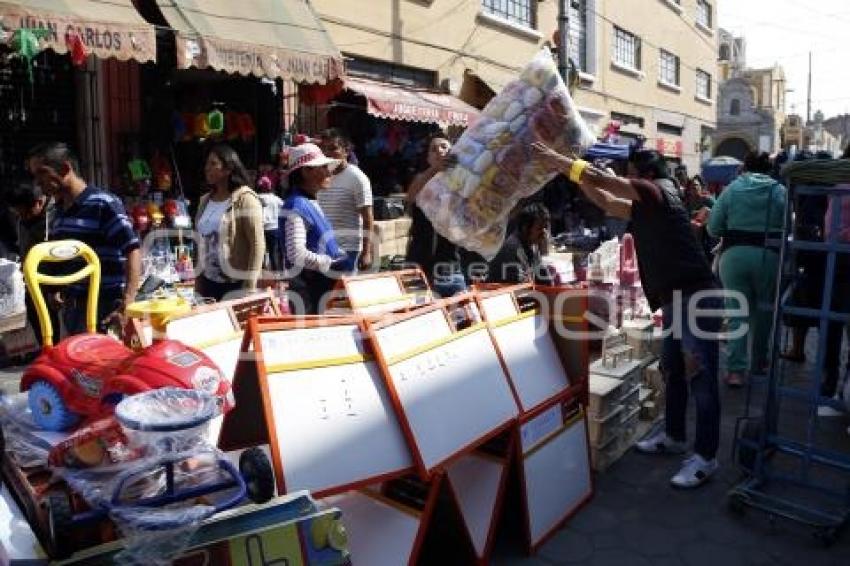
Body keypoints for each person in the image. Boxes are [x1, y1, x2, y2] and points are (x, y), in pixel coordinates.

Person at [534, 142, 721, 488]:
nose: (626, 179)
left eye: (629, 174)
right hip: (676, 298)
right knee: (673, 370)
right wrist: (576, 176)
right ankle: (675, 436)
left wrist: (563, 162)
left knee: (702, 380)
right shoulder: (648, 205)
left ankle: (706, 458)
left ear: (643, 175)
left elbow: (607, 185)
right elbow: (605, 200)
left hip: (696, 298)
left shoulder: (656, 190)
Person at [28, 142, 140, 336]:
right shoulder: (58, 211)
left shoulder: (103, 204)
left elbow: (132, 250)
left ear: (65, 169)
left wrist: (128, 303)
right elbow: (63, 257)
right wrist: (57, 288)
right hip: (74, 310)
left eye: (42, 173)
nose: (37, 182)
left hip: (106, 307)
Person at [707, 152, 786, 387]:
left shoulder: (731, 189)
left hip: (734, 257)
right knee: (764, 312)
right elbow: (788, 224)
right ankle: (760, 362)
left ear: (745, 167)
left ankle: (735, 371)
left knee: (736, 313)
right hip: (768, 257)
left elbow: (713, 228)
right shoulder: (779, 191)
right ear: (769, 169)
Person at [280, 143, 347, 314]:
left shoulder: (308, 203)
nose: (328, 172)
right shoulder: (296, 205)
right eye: (323, 167)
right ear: (306, 171)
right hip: (308, 291)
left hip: (319, 288)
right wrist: (328, 262)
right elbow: (296, 254)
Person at [195, 144, 265, 301]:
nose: (207, 168)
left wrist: (250, 285)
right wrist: (198, 281)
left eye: (213, 164)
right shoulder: (205, 201)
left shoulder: (245, 199)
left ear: (228, 168)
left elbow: (257, 244)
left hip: (235, 284)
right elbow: (200, 241)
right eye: (207, 164)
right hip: (208, 282)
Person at [406, 134, 467, 297]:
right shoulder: (421, 178)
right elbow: (411, 197)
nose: (439, 151)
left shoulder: (462, 182)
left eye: (444, 147)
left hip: (449, 266)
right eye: (433, 149)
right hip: (420, 267)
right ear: (428, 158)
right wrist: (435, 169)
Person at [4, 181, 59, 345]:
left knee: (56, 328)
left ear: (39, 202)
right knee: (40, 327)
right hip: (32, 282)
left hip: (55, 282)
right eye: (18, 214)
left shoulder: (57, 216)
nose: (22, 217)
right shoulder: (23, 219)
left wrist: (57, 288)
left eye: (25, 213)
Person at [318, 129, 374, 273]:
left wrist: (366, 252)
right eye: (324, 149)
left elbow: (368, 218)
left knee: (342, 293)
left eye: (333, 148)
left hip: (348, 250)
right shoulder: (321, 176)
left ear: (346, 151)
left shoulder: (357, 178)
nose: (328, 153)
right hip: (322, 250)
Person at [486, 202, 554, 285]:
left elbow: (545, 280)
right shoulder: (512, 250)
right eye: (540, 228)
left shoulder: (532, 247)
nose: (544, 232)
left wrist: (544, 253)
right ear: (525, 228)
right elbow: (518, 288)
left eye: (546, 227)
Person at [256, 166, 284, 272]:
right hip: (274, 228)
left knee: (261, 250)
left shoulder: (256, 198)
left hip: (261, 228)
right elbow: (285, 208)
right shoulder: (275, 199)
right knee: (274, 252)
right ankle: (276, 273)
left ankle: (260, 271)